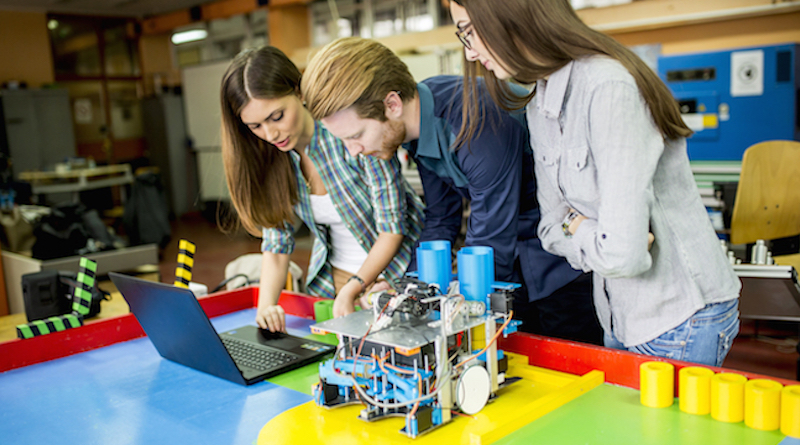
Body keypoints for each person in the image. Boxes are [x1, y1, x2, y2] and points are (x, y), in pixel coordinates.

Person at [448, 0, 741, 366]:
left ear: (511, 16)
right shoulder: (540, 104)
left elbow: (625, 254)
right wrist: (589, 231)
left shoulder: (607, 86)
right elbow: (550, 230)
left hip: (678, 317)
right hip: (617, 312)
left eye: (470, 32)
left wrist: (579, 226)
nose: (470, 51)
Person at [302, 37, 604, 345]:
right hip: (511, 265)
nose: (353, 152)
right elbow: (441, 218)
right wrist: (405, 289)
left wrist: (440, 301)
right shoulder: (414, 126)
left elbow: (490, 236)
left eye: (356, 135)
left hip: (562, 264)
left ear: (391, 105)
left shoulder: (475, 120)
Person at [220, 46, 424, 332]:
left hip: (397, 273)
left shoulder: (349, 132)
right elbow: (277, 244)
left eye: (277, 116)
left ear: (299, 91)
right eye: (255, 126)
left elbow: (392, 227)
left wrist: (356, 286)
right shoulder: (274, 159)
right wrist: (266, 306)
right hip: (336, 282)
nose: (270, 134)